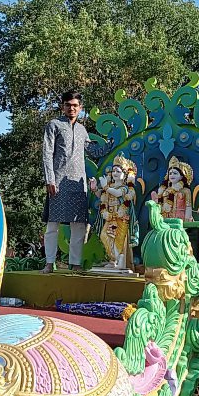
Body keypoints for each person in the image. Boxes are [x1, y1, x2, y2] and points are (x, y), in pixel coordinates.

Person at [41, 90, 89, 273]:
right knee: (53, 224)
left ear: (80, 108)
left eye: (75, 105)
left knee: (79, 226)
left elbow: (93, 151)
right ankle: (49, 263)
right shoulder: (54, 125)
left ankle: (75, 264)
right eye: (68, 105)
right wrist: (50, 179)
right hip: (58, 181)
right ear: (63, 106)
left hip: (78, 182)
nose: (72, 108)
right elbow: (47, 153)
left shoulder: (83, 130)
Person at [91, 153, 139, 270]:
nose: (115, 174)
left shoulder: (124, 188)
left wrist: (106, 187)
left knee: (119, 240)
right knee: (104, 236)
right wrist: (95, 188)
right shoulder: (109, 186)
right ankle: (112, 259)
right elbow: (102, 196)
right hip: (110, 217)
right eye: (114, 171)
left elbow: (117, 194)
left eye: (118, 171)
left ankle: (118, 261)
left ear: (125, 175)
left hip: (121, 218)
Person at [151, 156, 194, 222]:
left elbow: (188, 207)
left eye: (175, 173)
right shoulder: (165, 191)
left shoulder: (186, 191)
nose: (172, 175)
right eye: (170, 173)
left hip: (180, 220)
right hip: (166, 220)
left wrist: (187, 220)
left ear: (181, 177)